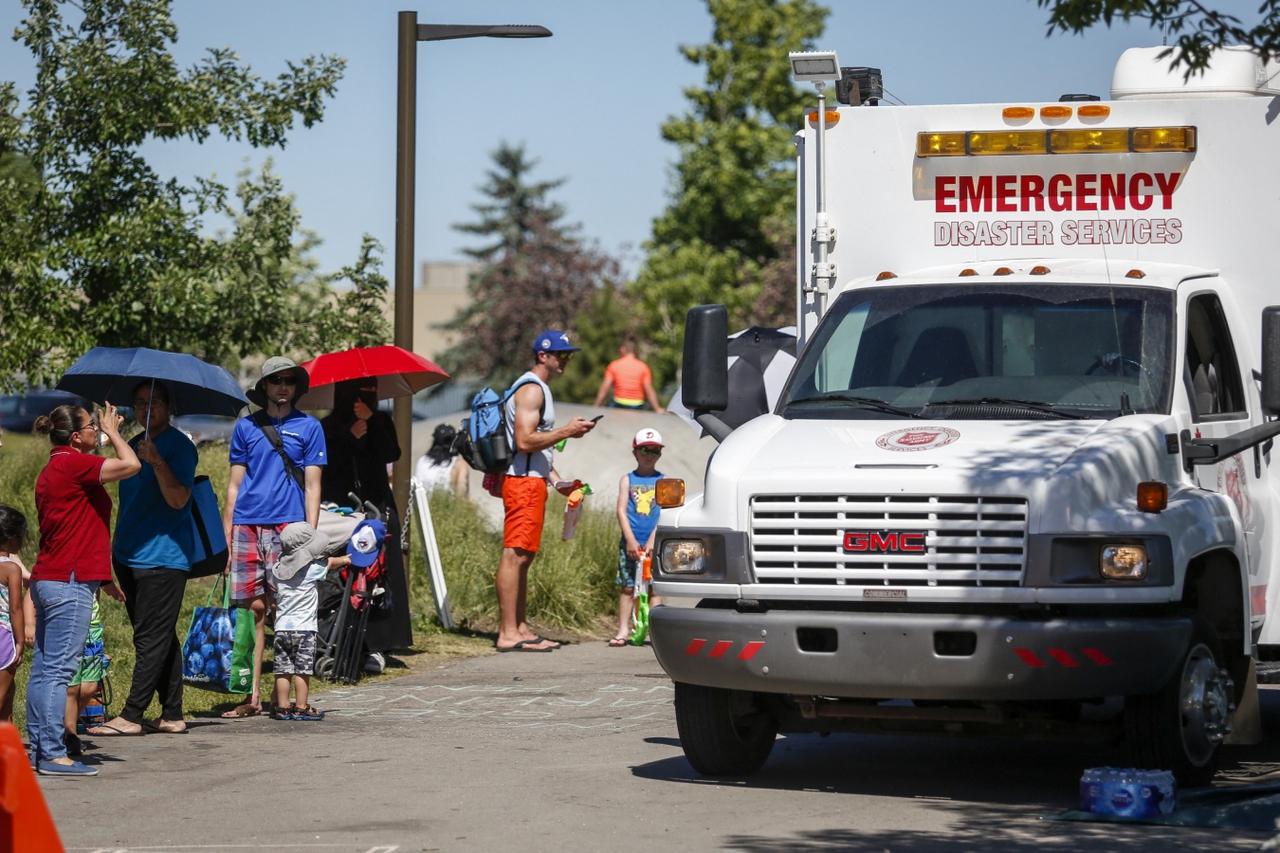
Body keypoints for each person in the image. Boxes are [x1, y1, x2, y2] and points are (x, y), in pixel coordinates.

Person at [28, 402, 139, 776]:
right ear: (76, 435)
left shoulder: (55, 467)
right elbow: (132, 466)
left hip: (53, 577)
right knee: (58, 672)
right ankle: (53, 753)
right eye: (92, 426)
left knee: (46, 671)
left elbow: (80, 522)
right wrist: (117, 433)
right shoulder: (73, 465)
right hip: (68, 582)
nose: (99, 429)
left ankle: (41, 748)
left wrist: (104, 578)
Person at [90, 380, 197, 737]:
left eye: (153, 403)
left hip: (164, 558)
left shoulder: (179, 447)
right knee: (158, 635)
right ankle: (172, 714)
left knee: (151, 637)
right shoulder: (133, 445)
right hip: (129, 555)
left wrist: (157, 462)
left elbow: (179, 500)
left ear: (169, 407)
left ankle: (132, 715)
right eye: (138, 403)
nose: (144, 410)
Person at [222, 357, 326, 718]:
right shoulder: (246, 427)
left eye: (289, 381)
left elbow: (313, 485)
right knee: (253, 612)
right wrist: (226, 538)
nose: (283, 386)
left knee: (288, 611)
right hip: (248, 525)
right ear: (264, 386)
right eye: (276, 380)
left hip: (290, 529)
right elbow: (234, 487)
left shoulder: (310, 427)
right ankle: (250, 695)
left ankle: (286, 695)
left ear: (296, 387)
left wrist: (309, 537)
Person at [495, 329, 596, 653]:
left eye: (568, 355)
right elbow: (524, 441)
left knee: (524, 557)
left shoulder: (539, 390)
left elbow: (535, 450)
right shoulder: (531, 390)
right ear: (543, 356)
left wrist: (557, 480)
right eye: (561, 354)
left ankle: (520, 628)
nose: (565, 360)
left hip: (532, 481)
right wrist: (568, 430)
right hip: (521, 484)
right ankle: (508, 632)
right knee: (514, 555)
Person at [270, 522, 350, 721]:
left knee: (283, 671)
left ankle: (282, 707)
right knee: (302, 670)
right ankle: (301, 706)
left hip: (281, 629)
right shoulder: (313, 569)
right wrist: (347, 559)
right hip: (304, 630)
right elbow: (331, 563)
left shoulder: (277, 570)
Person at [610, 428, 666, 646]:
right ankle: (623, 629)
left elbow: (664, 513)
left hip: (655, 544)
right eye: (645, 450)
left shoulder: (664, 481)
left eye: (655, 451)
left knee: (654, 587)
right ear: (635, 452)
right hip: (631, 542)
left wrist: (653, 541)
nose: (649, 455)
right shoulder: (627, 479)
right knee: (627, 586)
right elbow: (621, 510)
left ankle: (654, 631)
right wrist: (630, 540)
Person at [320, 378, 400, 510]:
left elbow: (391, 454)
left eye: (374, 389)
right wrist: (350, 436)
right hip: (342, 504)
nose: (372, 393)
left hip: (378, 501)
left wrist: (372, 420)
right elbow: (328, 463)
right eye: (366, 389)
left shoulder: (381, 419)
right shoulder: (328, 425)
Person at [0, 505, 28, 724]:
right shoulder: (11, 568)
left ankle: (8, 751)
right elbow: (15, 608)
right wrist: (20, 641)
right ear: (11, 538)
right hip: (3, 636)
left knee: (9, 693)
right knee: (2, 695)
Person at [593, 340, 665, 413]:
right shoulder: (643, 367)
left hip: (618, 404)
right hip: (637, 405)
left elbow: (605, 387)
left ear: (623, 349)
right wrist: (657, 408)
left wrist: (596, 405)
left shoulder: (614, 365)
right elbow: (649, 389)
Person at [414, 423, 469, 496]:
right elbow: (462, 490)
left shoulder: (422, 461)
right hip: (445, 505)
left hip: (421, 504)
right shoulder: (458, 463)